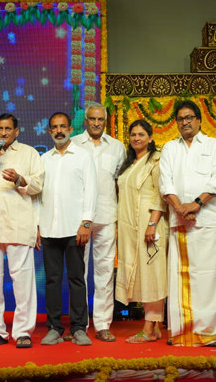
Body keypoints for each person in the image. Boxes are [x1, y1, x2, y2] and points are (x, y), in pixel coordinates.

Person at [0, 113, 44, 349]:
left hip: (19, 223)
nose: (3, 133)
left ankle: (23, 331)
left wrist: (20, 178)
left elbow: (38, 186)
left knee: (22, 281)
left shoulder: (29, 153)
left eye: (8, 129)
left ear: (17, 131)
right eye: (0, 129)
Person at [159, 101, 216, 346]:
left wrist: (196, 204)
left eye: (189, 118)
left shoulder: (214, 145)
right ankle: (181, 332)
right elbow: (165, 182)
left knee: (208, 276)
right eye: (180, 119)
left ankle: (209, 332)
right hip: (179, 221)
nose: (185, 122)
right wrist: (179, 207)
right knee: (179, 275)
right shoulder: (169, 148)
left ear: (199, 120)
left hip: (206, 218)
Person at [39, 112, 96, 346]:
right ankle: (54, 327)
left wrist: (86, 223)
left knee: (76, 279)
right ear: (49, 131)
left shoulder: (83, 156)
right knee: (52, 280)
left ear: (71, 129)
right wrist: (37, 225)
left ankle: (79, 327)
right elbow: (37, 196)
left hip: (75, 229)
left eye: (63, 126)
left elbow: (91, 190)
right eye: (55, 127)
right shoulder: (44, 159)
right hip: (49, 228)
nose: (59, 130)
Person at [72, 102, 125, 342]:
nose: (96, 123)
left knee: (104, 273)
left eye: (100, 120)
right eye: (92, 119)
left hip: (106, 216)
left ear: (105, 121)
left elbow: (120, 183)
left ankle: (103, 324)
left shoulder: (117, 147)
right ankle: (80, 324)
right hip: (79, 219)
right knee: (78, 272)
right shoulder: (73, 144)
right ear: (85, 121)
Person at [116, 119, 168, 343]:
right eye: (133, 135)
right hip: (129, 226)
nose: (136, 138)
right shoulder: (128, 163)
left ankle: (149, 328)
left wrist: (153, 223)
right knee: (138, 275)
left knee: (152, 274)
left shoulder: (156, 160)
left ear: (150, 137)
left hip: (149, 224)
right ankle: (154, 327)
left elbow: (161, 194)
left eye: (141, 134)